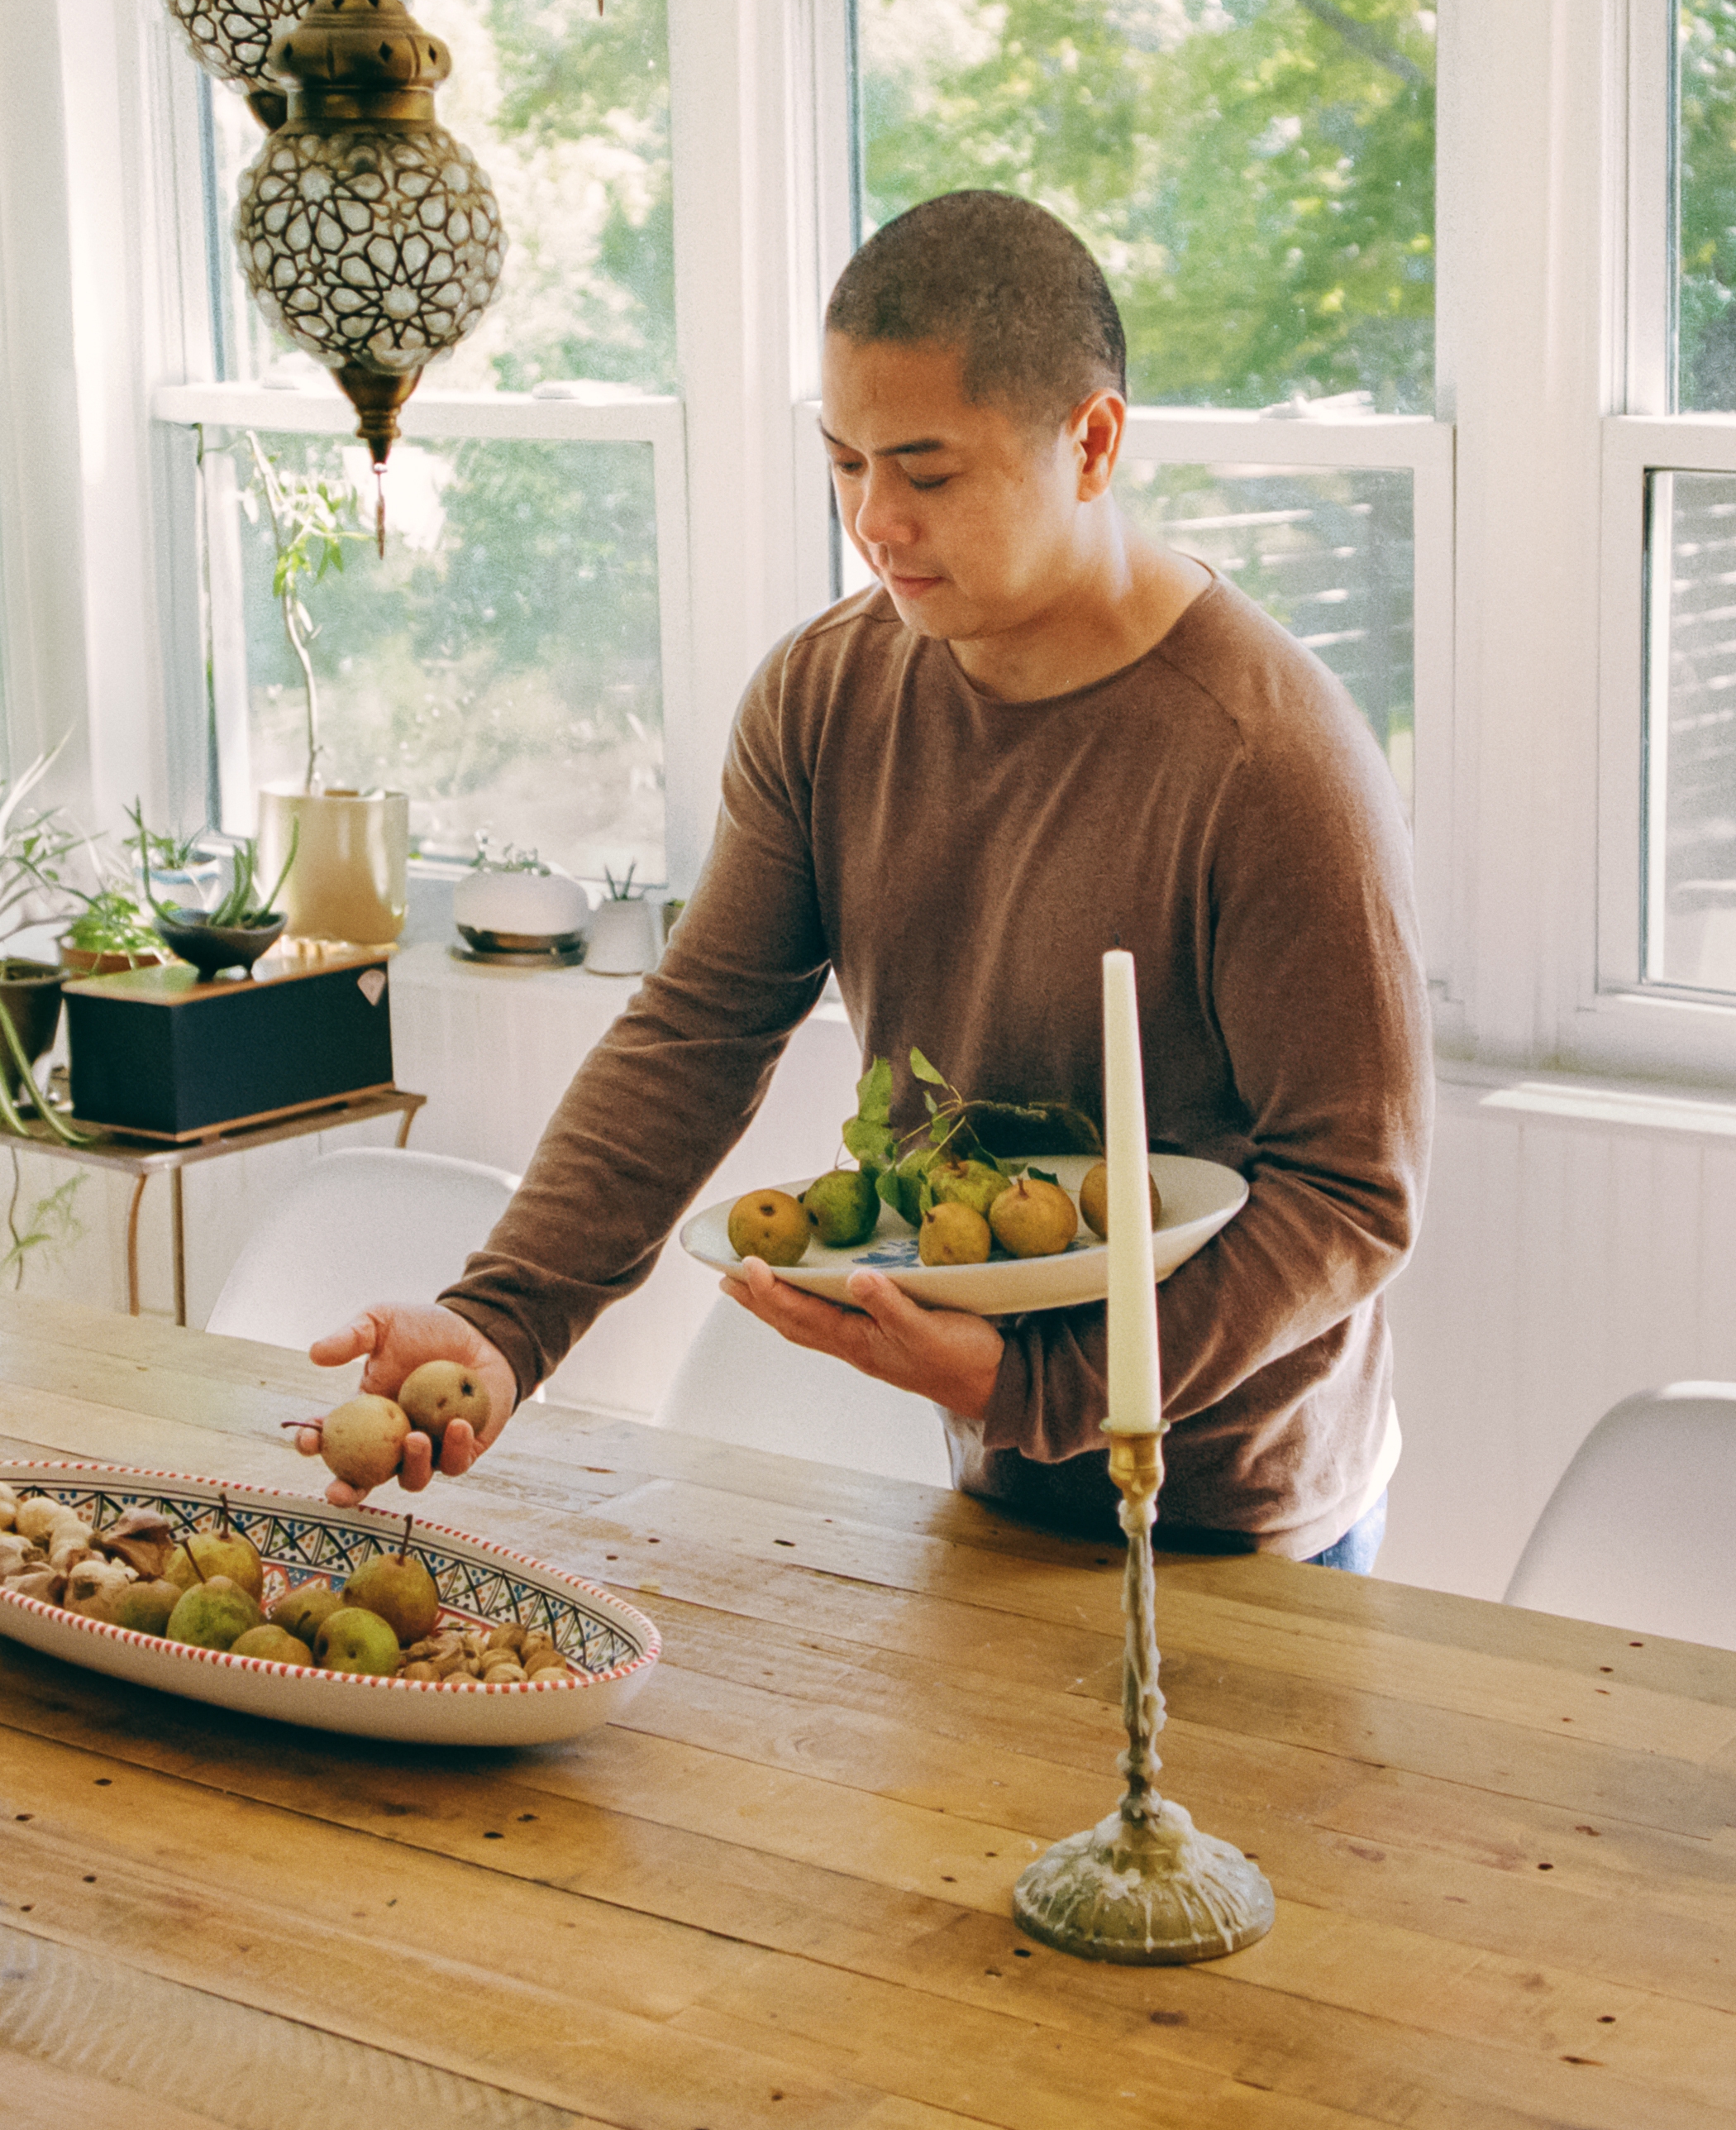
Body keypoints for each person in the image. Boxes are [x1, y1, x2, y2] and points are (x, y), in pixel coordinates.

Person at [298, 189, 1431, 1564]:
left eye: (927, 473)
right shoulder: (824, 695)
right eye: (844, 463)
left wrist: (1043, 1387)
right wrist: (503, 1318)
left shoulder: (1273, 757)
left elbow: (1353, 1193)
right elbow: (697, 1032)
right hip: (992, 1476)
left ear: (1091, 442)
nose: (875, 520)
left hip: (1244, 1519)